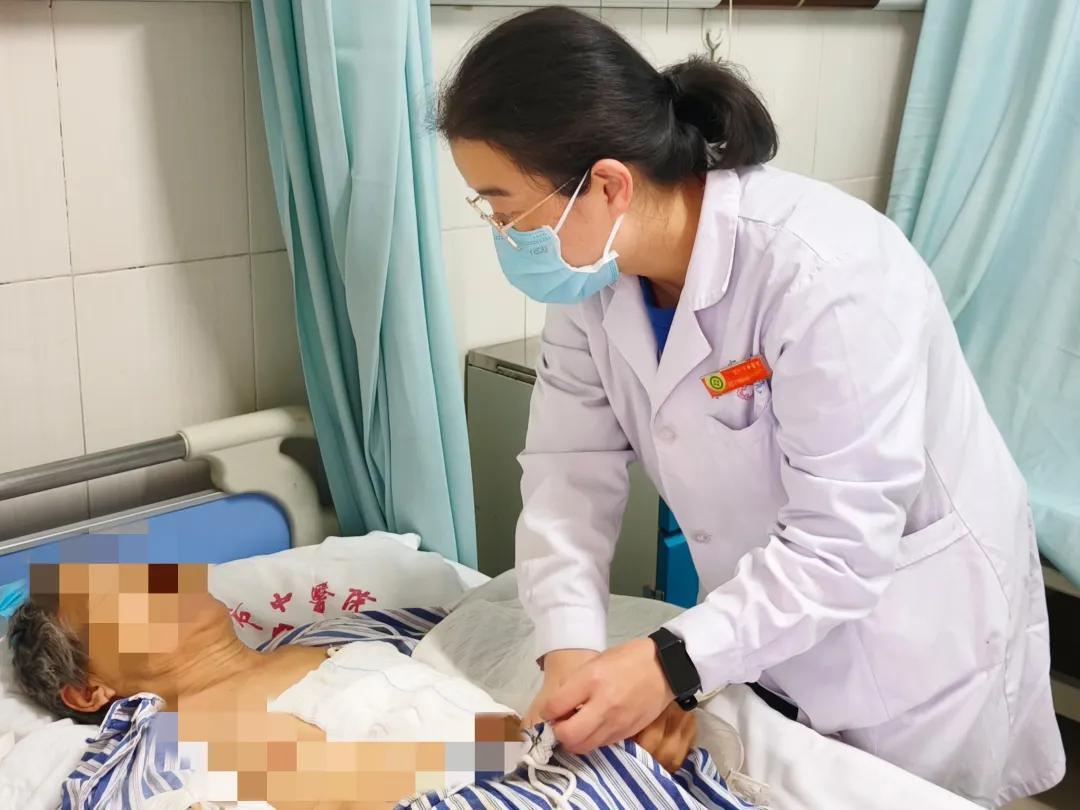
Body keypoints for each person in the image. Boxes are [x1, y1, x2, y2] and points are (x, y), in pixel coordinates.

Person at [435, 7, 1065, 807]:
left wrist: (668, 664)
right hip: (770, 626)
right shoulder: (594, 285)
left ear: (609, 184)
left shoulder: (825, 271)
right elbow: (568, 476)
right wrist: (569, 654)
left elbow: (842, 540)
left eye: (505, 208)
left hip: (911, 636)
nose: (501, 231)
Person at [7, 562, 697, 808]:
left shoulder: (340, 632)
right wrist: (574, 758)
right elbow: (346, 787)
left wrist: (614, 706)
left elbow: (495, 638)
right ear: (89, 691)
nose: (160, 582)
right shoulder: (165, 746)